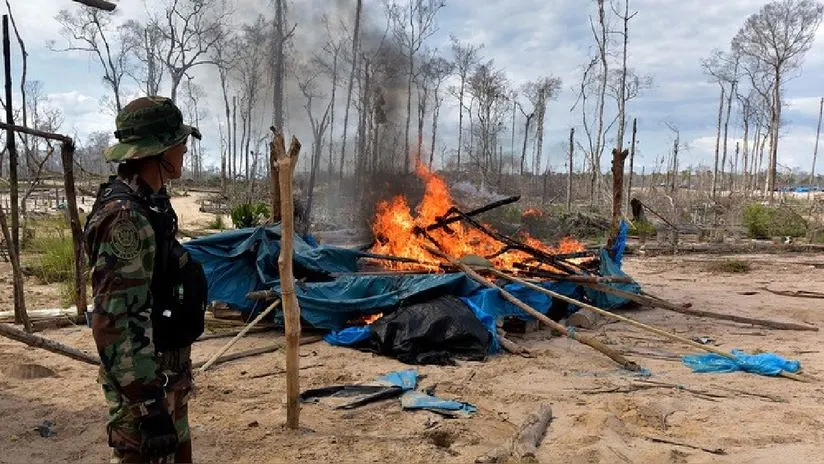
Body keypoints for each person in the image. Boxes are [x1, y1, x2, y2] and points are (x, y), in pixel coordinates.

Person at [83, 96, 208, 463]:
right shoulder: (126, 220)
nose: (184, 149)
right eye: (178, 143)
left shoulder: (152, 203)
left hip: (167, 377)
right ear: (157, 151)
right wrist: (149, 408)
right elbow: (116, 320)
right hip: (145, 393)